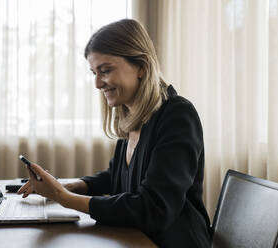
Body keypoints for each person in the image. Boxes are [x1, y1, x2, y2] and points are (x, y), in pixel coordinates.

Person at [17, 19, 212, 247]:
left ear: (141, 67)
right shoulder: (131, 116)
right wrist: (67, 186)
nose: (98, 83)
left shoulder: (178, 116)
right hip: (138, 239)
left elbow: (154, 209)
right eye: (94, 73)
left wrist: (65, 199)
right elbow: (116, 177)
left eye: (105, 71)